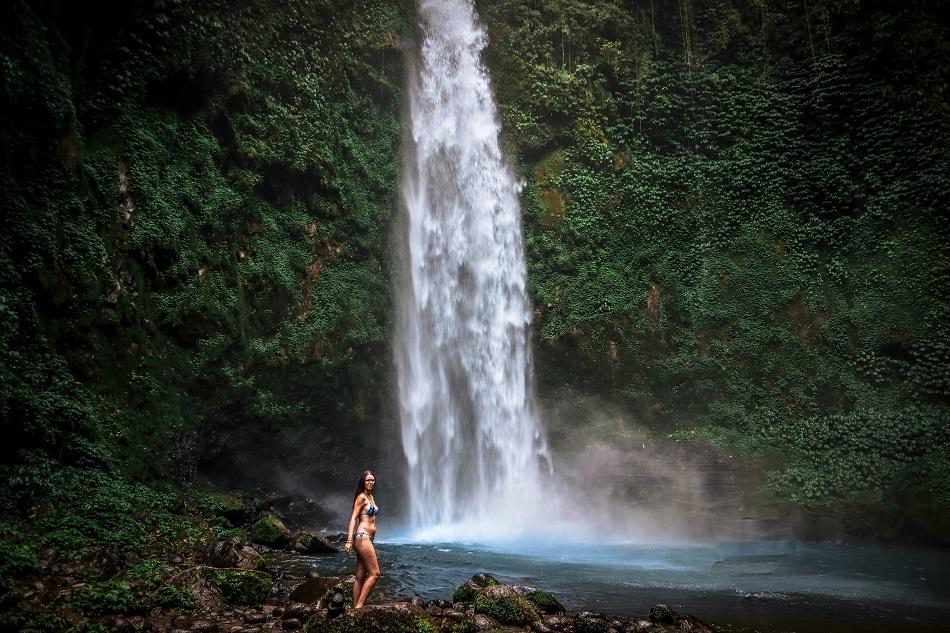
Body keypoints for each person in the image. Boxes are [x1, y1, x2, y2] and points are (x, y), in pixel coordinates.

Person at [343, 470, 381, 608]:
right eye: (367, 480)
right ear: (363, 482)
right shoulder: (362, 497)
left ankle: (354, 608)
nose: (370, 482)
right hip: (362, 536)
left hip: (367, 538)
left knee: (359, 577)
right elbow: (353, 518)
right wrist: (349, 540)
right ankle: (359, 607)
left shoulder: (370, 497)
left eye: (372, 480)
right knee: (375, 573)